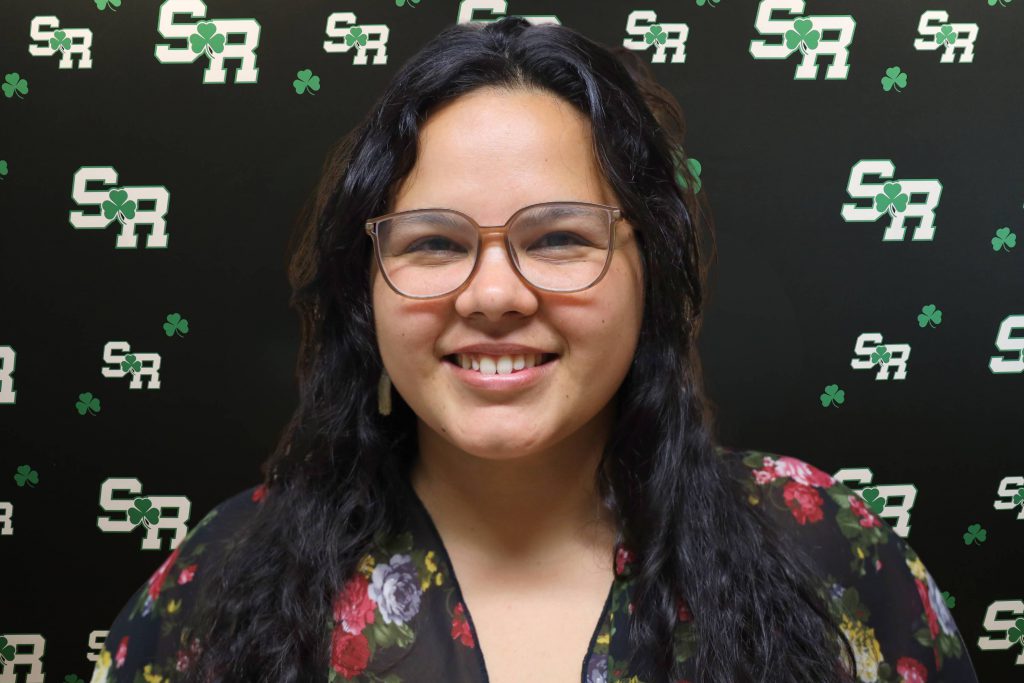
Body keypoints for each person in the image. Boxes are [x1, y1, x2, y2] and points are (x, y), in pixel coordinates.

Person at [91, 16, 980, 683]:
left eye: (558, 238)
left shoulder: (825, 554)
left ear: (650, 272)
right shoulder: (227, 577)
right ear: (366, 288)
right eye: (433, 243)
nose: (494, 295)